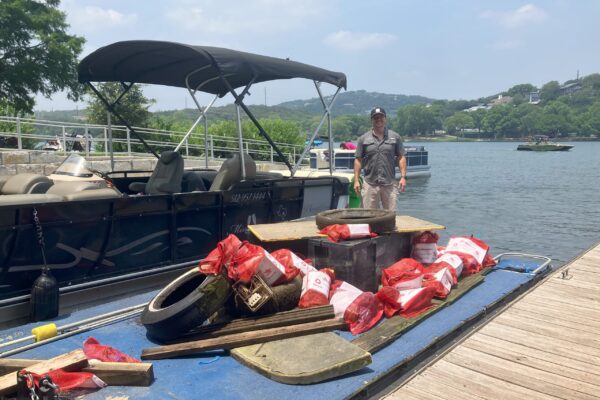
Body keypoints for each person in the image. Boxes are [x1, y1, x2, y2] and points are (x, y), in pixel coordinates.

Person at [353, 107, 407, 210]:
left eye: (381, 117)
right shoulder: (363, 139)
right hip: (370, 183)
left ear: (385, 119)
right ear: (371, 120)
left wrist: (403, 177)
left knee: (390, 217)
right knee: (368, 216)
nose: (378, 119)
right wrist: (356, 180)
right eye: (375, 117)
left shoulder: (395, 137)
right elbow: (358, 159)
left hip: (389, 183)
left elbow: (401, 157)